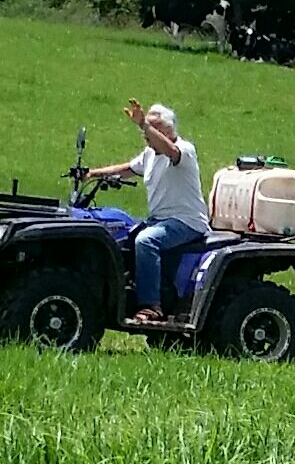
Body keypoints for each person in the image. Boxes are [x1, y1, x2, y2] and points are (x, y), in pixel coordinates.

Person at [85, 100, 210, 322]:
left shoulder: (184, 150)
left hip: (187, 222)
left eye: (152, 128)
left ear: (167, 130)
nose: (145, 134)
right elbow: (127, 169)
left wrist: (143, 124)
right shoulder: (149, 154)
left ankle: (151, 306)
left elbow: (170, 151)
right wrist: (92, 173)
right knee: (122, 236)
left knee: (145, 241)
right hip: (159, 220)